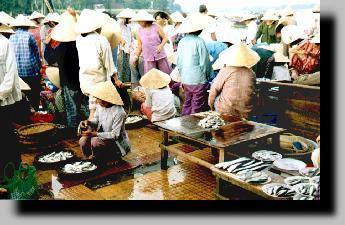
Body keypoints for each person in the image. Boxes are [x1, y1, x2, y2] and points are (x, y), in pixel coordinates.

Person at [75, 9, 123, 120]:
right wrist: (116, 79)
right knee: (95, 111)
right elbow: (109, 63)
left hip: (86, 81)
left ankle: (92, 133)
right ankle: (88, 133)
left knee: (94, 108)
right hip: (98, 82)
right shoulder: (101, 40)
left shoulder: (79, 39)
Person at [79, 81, 130, 163]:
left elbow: (115, 135)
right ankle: (90, 159)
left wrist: (95, 134)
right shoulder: (100, 106)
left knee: (95, 141)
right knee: (83, 140)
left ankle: (112, 157)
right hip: (103, 136)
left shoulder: (119, 112)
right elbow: (96, 119)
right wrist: (88, 122)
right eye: (99, 98)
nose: (101, 101)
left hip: (117, 143)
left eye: (104, 99)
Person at [176, 13, 214, 115]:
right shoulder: (199, 41)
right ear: (199, 30)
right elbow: (204, 62)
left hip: (186, 79)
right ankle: (193, 125)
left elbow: (179, 62)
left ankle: (184, 123)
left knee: (187, 102)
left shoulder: (182, 41)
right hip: (198, 79)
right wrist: (209, 76)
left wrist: (182, 77)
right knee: (197, 104)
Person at [209, 44, 259, 119]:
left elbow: (214, 90)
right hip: (245, 110)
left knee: (217, 96)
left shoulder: (226, 70)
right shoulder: (251, 73)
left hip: (226, 110)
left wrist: (211, 107)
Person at [0, 28, 22, 179]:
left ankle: (12, 171)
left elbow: (11, 72)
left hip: (4, 99)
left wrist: (1, 93)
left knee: (6, 135)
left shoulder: (5, 43)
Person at [9, 15, 42, 111]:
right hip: (30, 70)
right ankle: (34, 111)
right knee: (34, 93)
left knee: (20, 94)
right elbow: (36, 53)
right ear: (27, 26)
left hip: (17, 71)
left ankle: (22, 112)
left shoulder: (11, 36)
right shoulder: (29, 35)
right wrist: (38, 68)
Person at [132, 10, 172, 75]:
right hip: (148, 57)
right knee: (151, 77)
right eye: (138, 21)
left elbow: (165, 38)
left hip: (160, 55)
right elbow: (140, 46)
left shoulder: (156, 26)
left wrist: (161, 46)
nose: (138, 23)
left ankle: (168, 85)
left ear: (145, 20)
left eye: (140, 21)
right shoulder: (139, 31)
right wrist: (136, 56)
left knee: (165, 74)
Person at [117, 8, 135, 83]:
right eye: (129, 18)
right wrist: (122, 41)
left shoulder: (129, 27)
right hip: (122, 49)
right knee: (121, 68)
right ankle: (122, 83)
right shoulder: (119, 24)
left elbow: (131, 38)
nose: (130, 20)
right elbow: (117, 35)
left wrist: (131, 44)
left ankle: (127, 83)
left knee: (128, 68)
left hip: (129, 49)